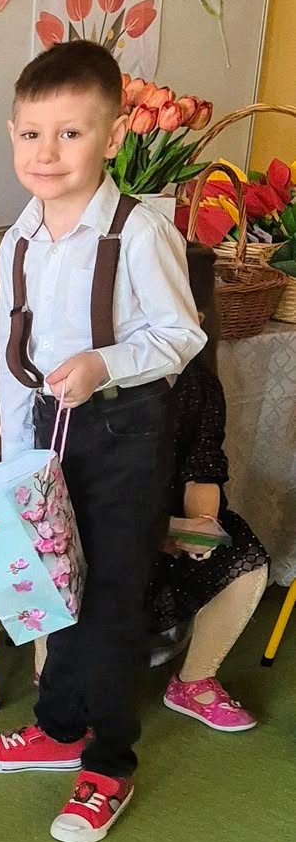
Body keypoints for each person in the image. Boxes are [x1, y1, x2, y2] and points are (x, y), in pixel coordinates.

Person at [0, 43, 205, 842]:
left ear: (113, 136)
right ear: (12, 135)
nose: (48, 152)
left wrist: (107, 362)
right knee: (52, 584)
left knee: (109, 597)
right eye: (33, 134)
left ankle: (108, 763)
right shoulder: (18, 239)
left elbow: (181, 335)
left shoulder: (140, 230)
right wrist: (15, 464)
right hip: (46, 432)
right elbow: (16, 357)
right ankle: (59, 726)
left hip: (125, 432)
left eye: (70, 133)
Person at [150, 246, 269, 731]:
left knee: (246, 560)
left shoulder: (198, 387)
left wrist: (198, 528)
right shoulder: (101, 378)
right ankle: (60, 675)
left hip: (169, 516)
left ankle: (194, 679)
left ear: (197, 321)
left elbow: (204, 466)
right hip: (106, 517)